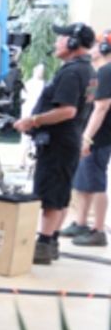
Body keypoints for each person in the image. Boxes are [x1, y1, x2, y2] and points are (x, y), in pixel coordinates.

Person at [13, 22, 97, 265]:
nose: (56, 43)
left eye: (61, 39)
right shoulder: (86, 70)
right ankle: (51, 242)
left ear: (73, 43)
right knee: (59, 193)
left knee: (50, 195)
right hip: (67, 142)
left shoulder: (71, 73)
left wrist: (33, 120)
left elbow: (68, 110)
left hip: (58, 143)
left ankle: (43, 244)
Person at [60, 28, 111, 247]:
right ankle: (81, 222)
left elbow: (101, 107)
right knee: (83, 181)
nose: (93, 47)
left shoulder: (107, 72)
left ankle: (97, 229)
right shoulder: (99, 71)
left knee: (96, 182)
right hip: (92, 134)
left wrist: (88, 137)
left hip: (99, 136)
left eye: (98, 43)